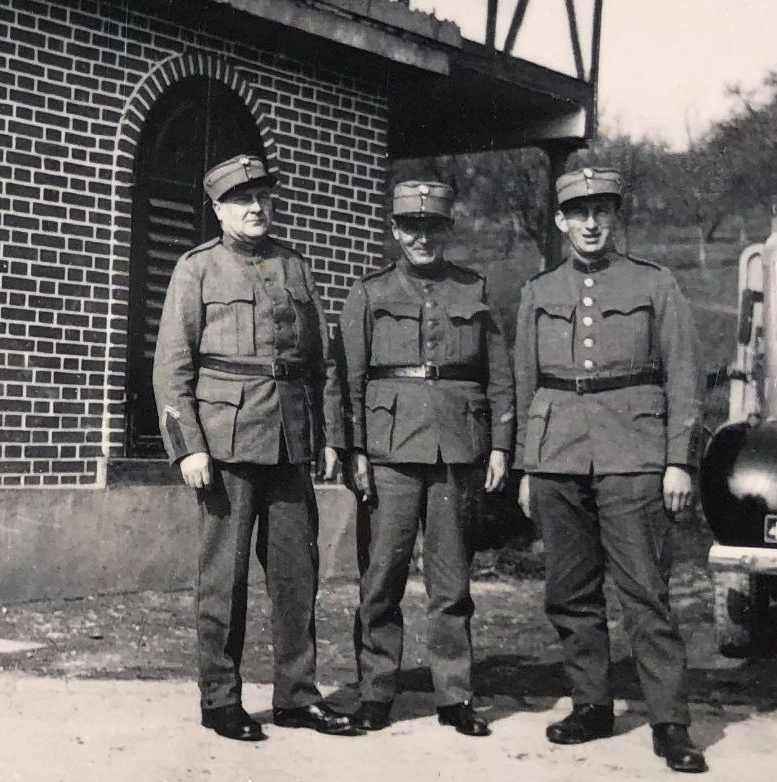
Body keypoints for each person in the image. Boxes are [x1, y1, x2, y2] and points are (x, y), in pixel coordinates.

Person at [152, 153, 360, 743]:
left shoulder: (292, 266)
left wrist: (323, 437)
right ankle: (220, 699)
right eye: (242, 200)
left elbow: (319, 361)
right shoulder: (196, 270)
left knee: (298, 577)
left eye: (264, 198)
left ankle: (297, 695)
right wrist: (187, 446)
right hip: (225, 445)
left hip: (290, 441)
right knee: (225, 578)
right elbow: (171, 368)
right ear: (218, 210)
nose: (256, 208)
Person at [512, 167, 707, 774]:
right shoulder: (538, 291)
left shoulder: (655, 283)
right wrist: (527, 464)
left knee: (645, 591)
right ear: (561, 221)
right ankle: (592, 705)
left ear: (615, 217)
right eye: (579, 212)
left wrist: (679, 460)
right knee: (569, 591)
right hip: (557, 454)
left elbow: (683, 375)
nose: (591, 223)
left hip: (636, 452)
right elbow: (524, 383)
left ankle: (670, 721)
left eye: (602, 211)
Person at [339, 180, 515, 737]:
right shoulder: (369, 293)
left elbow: (500, 376)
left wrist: (502, 445)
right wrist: (356, 450)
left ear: (447, 231)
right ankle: (375, 691)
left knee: (451, 580)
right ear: (395, 231)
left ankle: (454, 695)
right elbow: (347, 381)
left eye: (432, 227)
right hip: (390, 451)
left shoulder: (474, 289)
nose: (421, 237)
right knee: (381, 575)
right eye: (410, 227)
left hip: (456, 448)